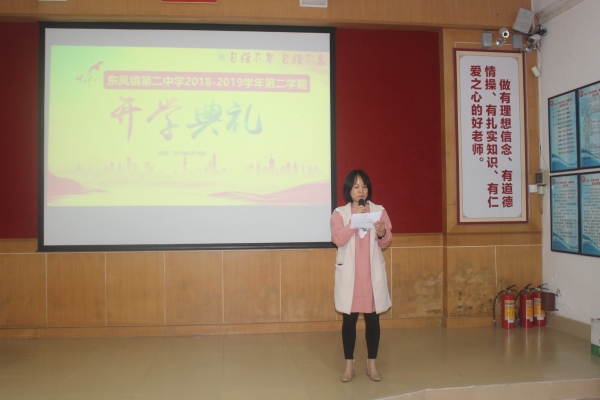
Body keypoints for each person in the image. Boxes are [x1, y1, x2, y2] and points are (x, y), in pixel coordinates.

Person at [330, 169, 392, 382]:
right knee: (349, 321)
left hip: (371, 277)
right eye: (356, 186)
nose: (361, 190)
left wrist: (382, 232)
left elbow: (386, 241)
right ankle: (349, 366)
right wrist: (354, 221)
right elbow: (338, 239)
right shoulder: (340, 214)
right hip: (351, 277)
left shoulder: (379, 211)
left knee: (373, 320)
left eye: (364, 186)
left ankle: (372, 365)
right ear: (349, 190)